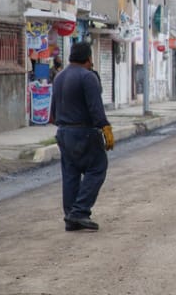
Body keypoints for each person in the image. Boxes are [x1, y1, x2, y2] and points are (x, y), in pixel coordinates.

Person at [50, 42, 114, 232]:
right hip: (84, 132)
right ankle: (79, 211)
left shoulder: (59, 77)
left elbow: (53, 112)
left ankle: (71, 217)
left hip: (63, 132)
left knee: (71, 174)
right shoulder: (88, 77)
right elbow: (96, 107)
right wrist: (105, 127)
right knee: (97, 168)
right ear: (88, 59)